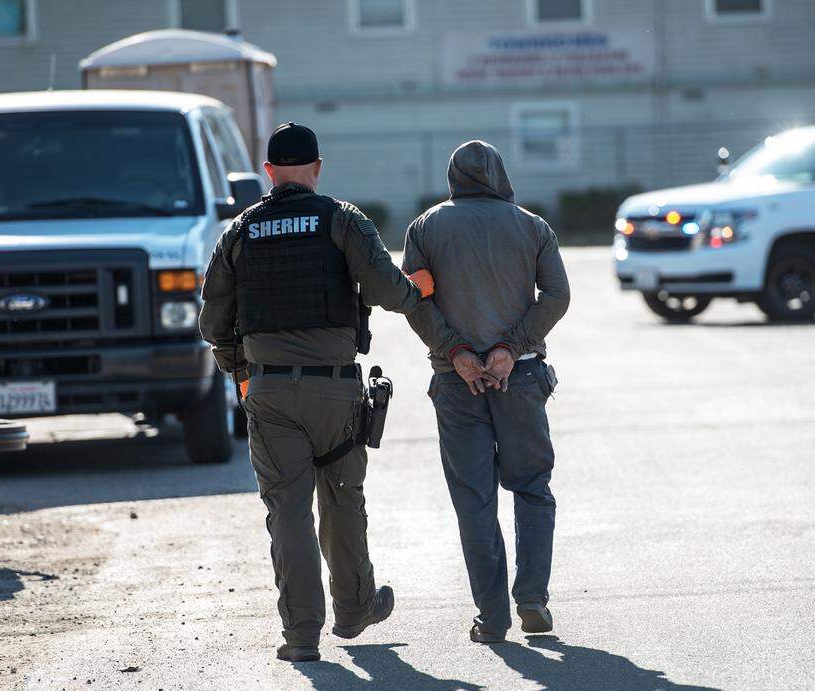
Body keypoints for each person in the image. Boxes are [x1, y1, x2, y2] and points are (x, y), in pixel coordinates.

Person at [199, 122, 438, 662]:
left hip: (269, 392)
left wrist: (240, 374)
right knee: (342, 501)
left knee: (287, 511)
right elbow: (387, 292)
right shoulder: (342, 218)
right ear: (318, 168)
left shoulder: (240, 231)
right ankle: (354, 610)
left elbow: (214, 320)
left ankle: (301, 635)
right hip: (335, 392)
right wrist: (416, 289)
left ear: (268, 173)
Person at [403, 140, 570, 643]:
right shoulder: (532, 226)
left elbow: (415, 301)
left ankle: (492, 616)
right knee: (532, 487)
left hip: (458, 384)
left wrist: (456, 351)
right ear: (500, 175)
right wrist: (510, 346)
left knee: (474, 500)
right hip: (518, 377)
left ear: (452, 177)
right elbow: (557, 296)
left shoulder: (426, 228)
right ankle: (533, 598)